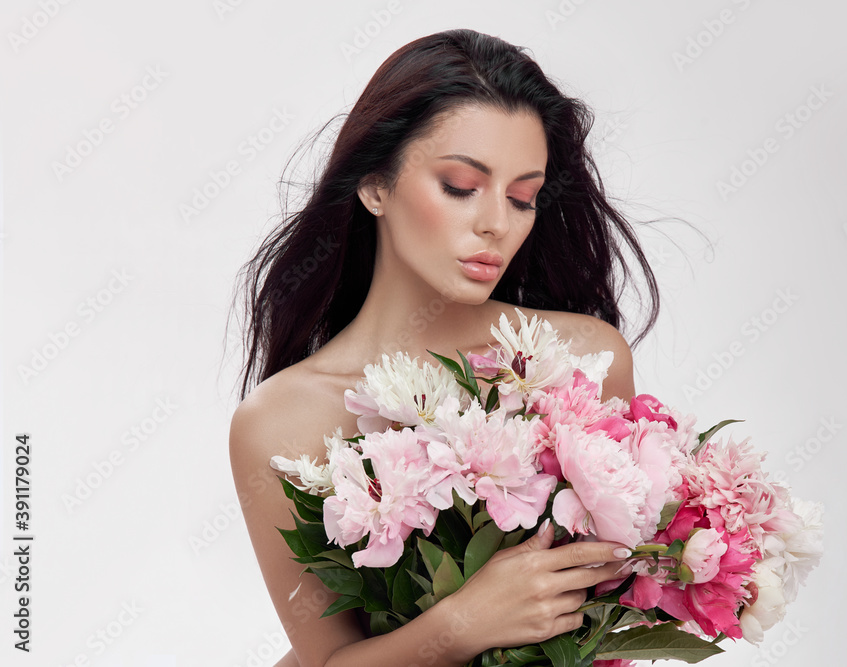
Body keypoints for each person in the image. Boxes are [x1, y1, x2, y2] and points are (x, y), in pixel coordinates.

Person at [228, 28, 662, 667]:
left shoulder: (584, 360)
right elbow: (325, 661)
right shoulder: (279, 422)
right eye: (461, 186)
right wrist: (464, 622)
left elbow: (616, 600)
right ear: (376, 186)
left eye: (523, 197)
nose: (497, 222)